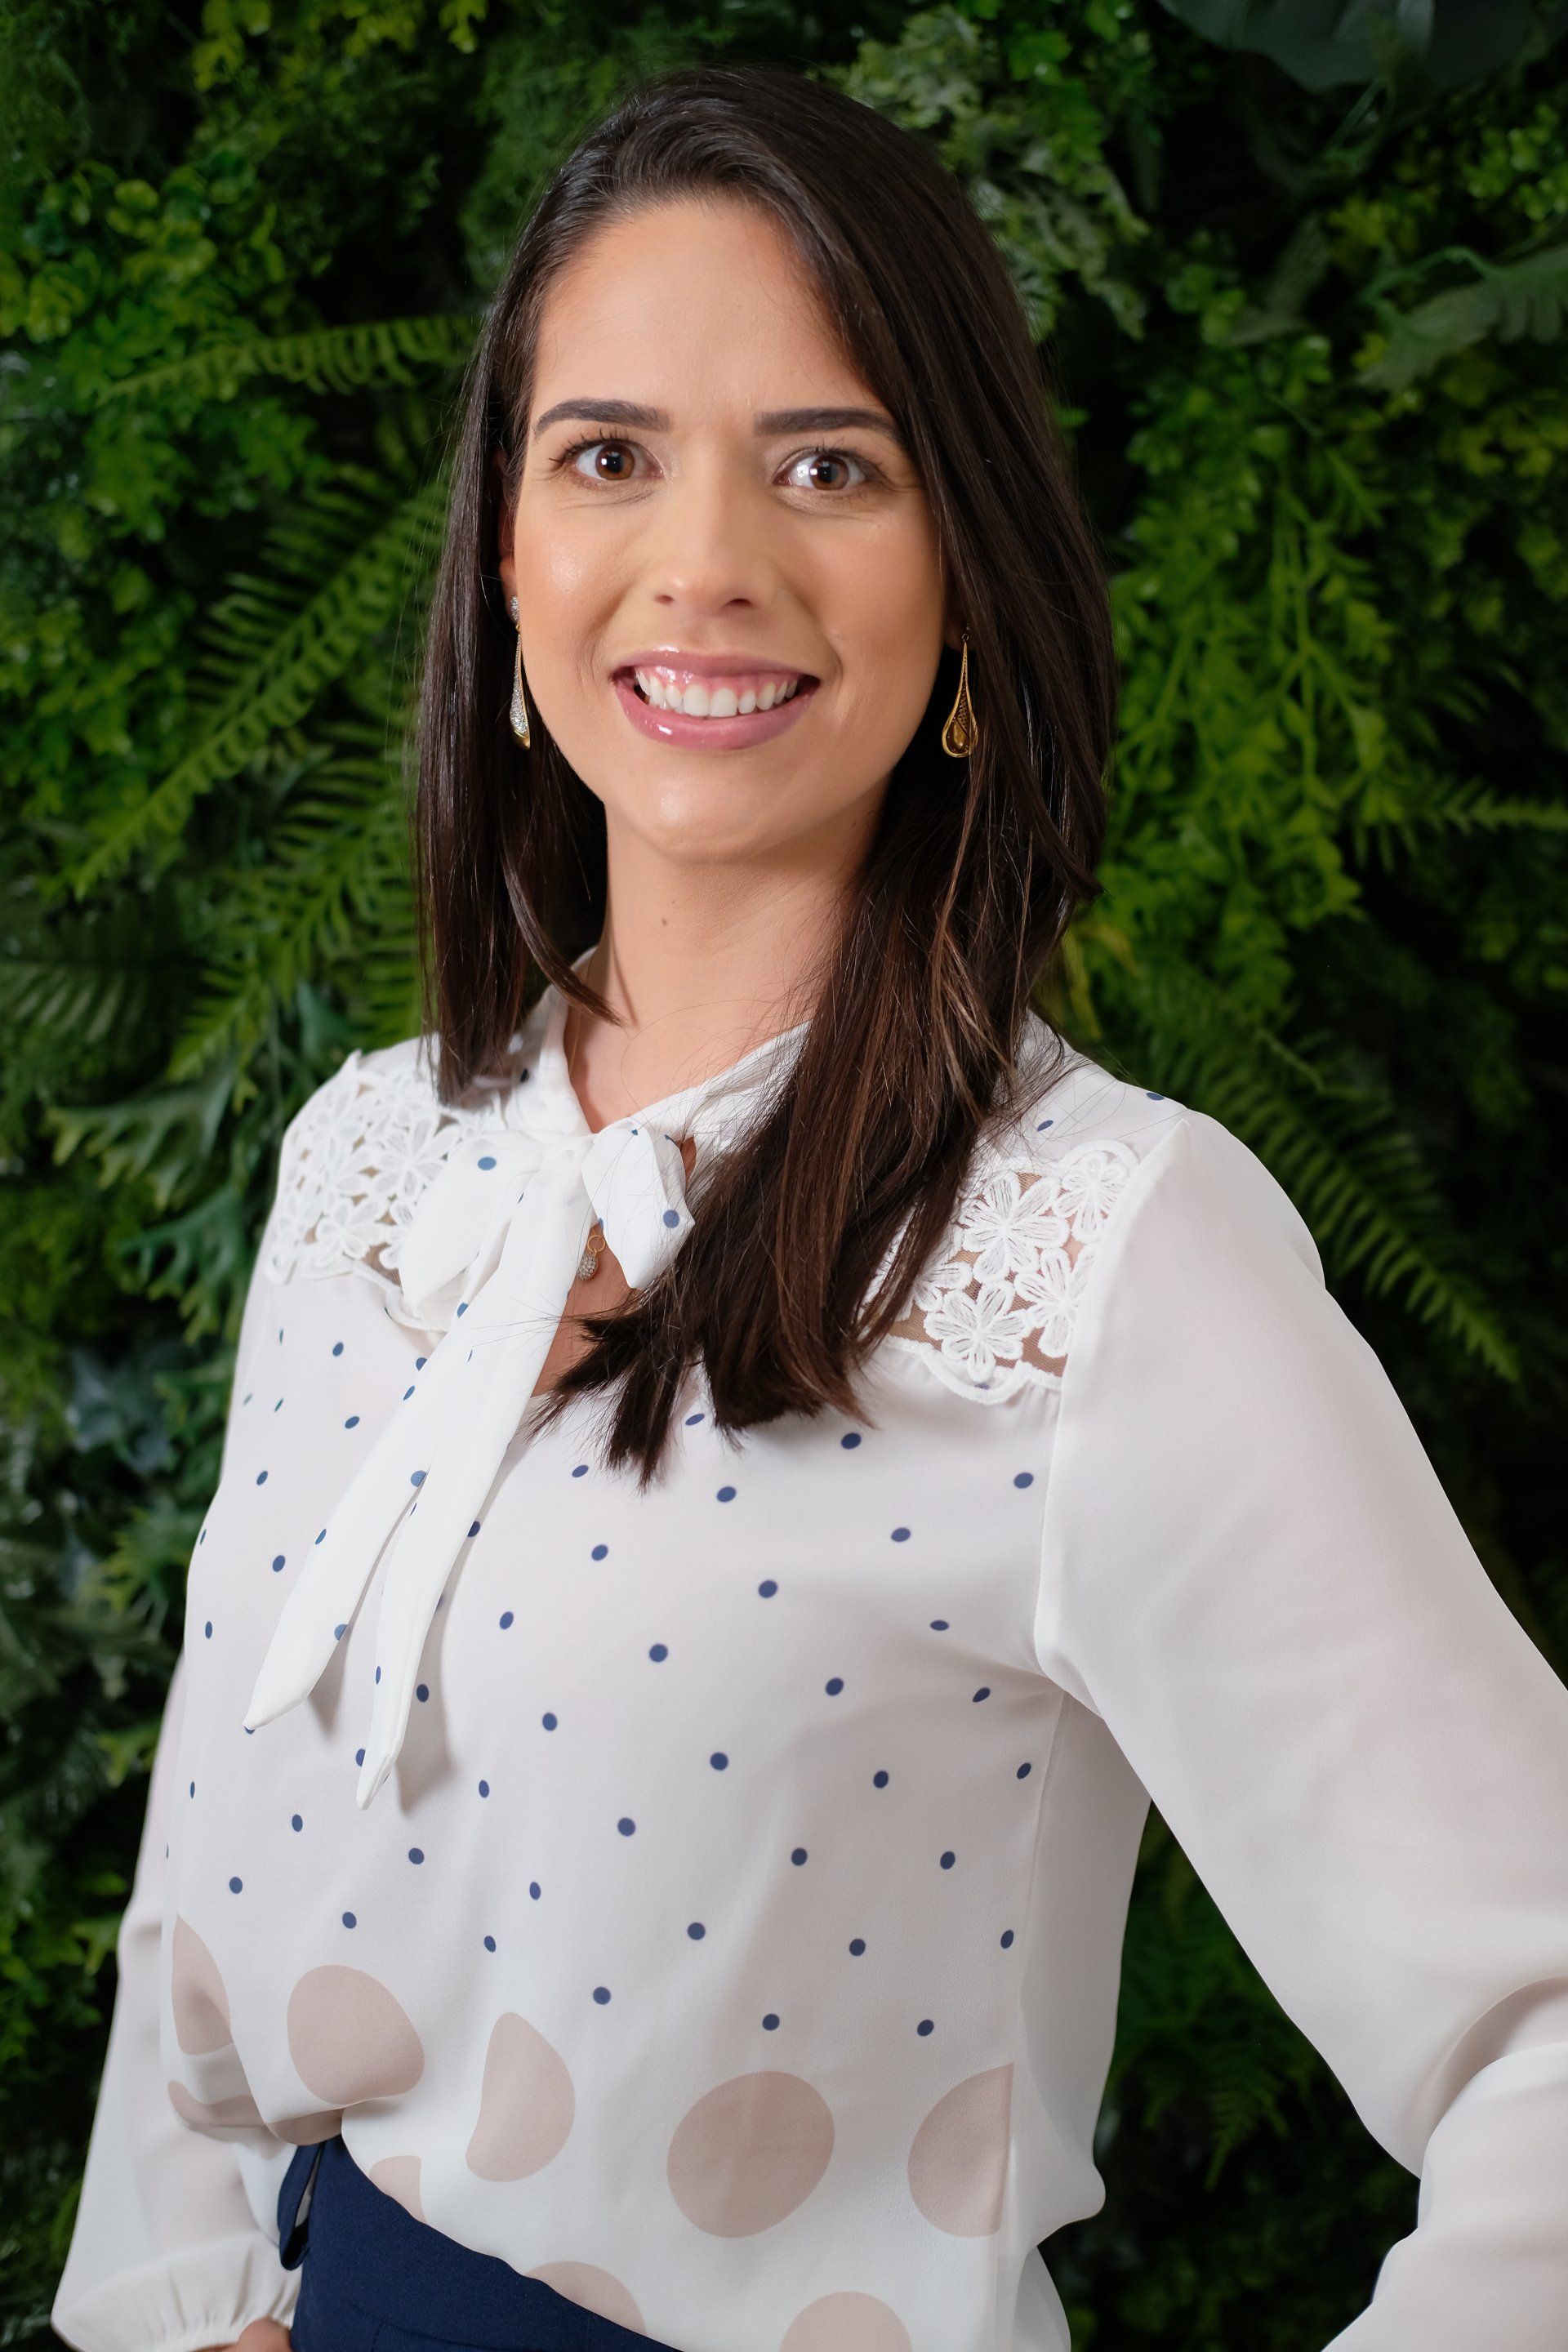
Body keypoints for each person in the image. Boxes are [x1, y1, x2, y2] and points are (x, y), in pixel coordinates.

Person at [49, 59, 1568, 2352]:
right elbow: (199, 1914)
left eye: (830, 465)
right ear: (506, 555)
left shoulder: (1101, 1254)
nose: (706, 562)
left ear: (965, 569)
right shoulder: (371, 1165)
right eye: (608, 457)